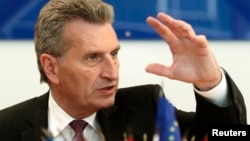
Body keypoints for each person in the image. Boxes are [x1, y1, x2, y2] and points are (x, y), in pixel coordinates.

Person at [0, 0, 247, 141]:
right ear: (51, 67)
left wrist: (211, 82)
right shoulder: (6, 127)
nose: (112, 72)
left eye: (114, 54)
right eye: (92, 57)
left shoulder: (146, 108)